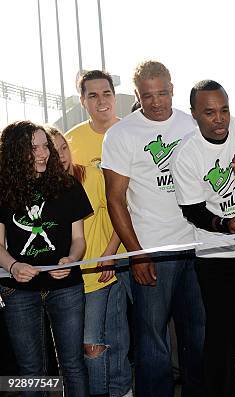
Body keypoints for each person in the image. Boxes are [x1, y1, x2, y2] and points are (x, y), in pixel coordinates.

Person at [102, 60, 205, 397]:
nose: (157, 101)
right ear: (136, 95)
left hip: (197, 247)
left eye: (163, 93)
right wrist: (137, 254)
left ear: (173, 89)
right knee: (153, 345)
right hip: (153, 252)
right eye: (148, 96)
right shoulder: (121, 134)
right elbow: (116, 200)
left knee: (199, 338)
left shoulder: (192, 124)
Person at [170, 79, 235, 396]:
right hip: (215, 257)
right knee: (219, 339)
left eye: (224, 110)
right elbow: (192, 210)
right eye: (209, 113)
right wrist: (223, 224)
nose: (219, 119)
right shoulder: (186, 155)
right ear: (194, 115)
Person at [0, 121, 93, 396]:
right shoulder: (3, 188)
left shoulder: (68, 185)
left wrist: (71, 259)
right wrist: (13, 266)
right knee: (31, 370)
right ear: (17, 151)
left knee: (73, 365)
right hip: (19, 291)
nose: (44, 153)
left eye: (45, 146)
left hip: (67, 288)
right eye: (34, 148)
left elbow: (79, 240)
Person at [48, 127, 132, 397]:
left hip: (98, 275)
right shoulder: (44, 190)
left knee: (92, 346)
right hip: (65, 284)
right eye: (53, 150)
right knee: (73, 353)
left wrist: (109, 255)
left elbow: (123, 213)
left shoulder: (92, 176)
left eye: (63, 148)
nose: (61, 155)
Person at [66, 70, 120, 168]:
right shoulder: (69, 142)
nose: (102, 101)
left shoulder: (135, 133)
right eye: (93, 96)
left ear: (114, 96)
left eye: (106, 94)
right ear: (83, 101)